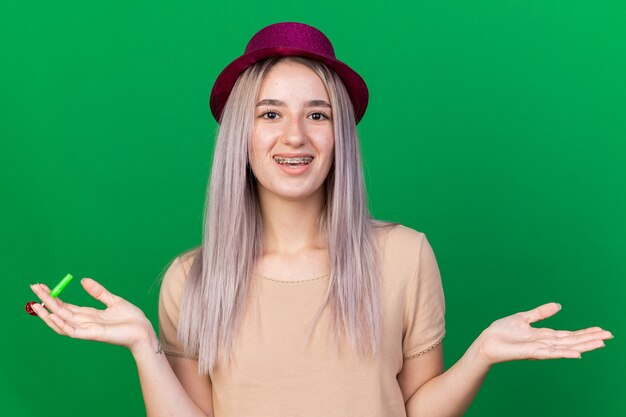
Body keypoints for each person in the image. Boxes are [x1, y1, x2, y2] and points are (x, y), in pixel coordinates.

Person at [29, 22, 613, 417]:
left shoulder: (405, 256)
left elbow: (413, 410)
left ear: (341, 139)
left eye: (318, 114)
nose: (295, 137)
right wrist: (142, 346)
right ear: (242, 137)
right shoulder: (193, 278)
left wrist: (481, 353)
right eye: (269, 114)